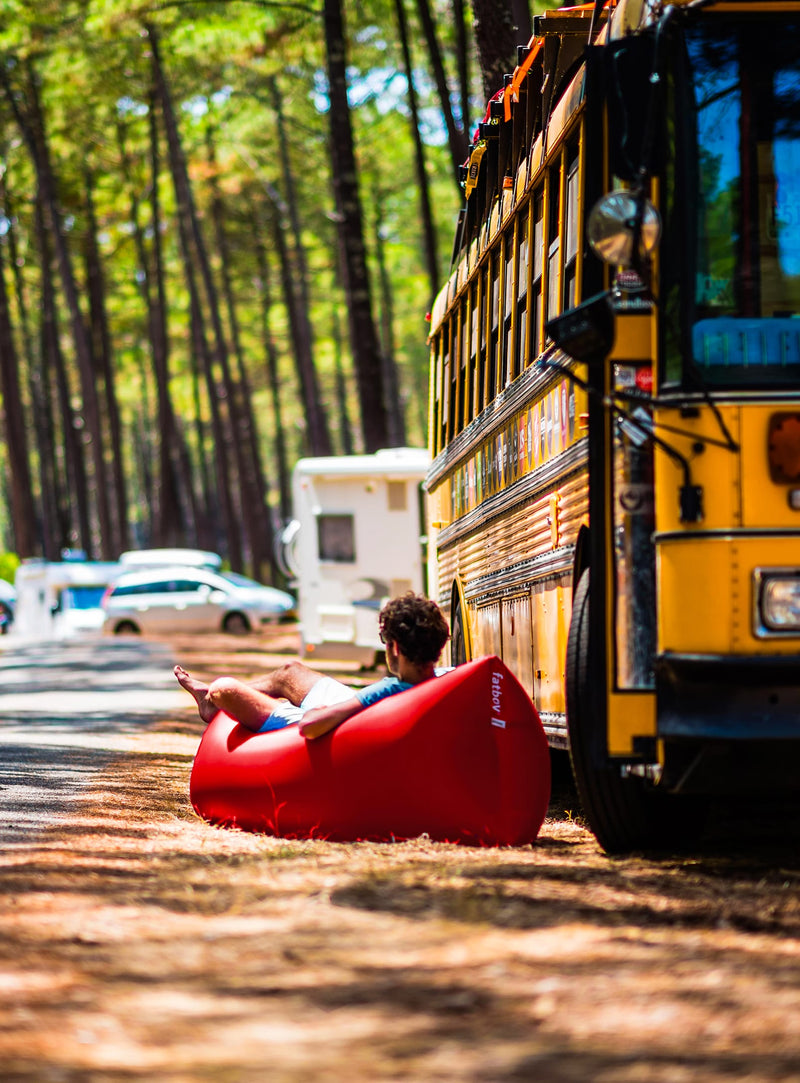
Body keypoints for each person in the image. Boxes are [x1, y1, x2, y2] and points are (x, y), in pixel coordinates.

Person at [174, 592, 450, 740]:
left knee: (225, 689)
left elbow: (310, 726)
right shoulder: (447, 682)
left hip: (342, 728)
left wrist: (321, 712)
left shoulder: (389, 690)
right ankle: (209, 701)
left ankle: (212, 699)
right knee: (289, 673)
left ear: (396, 648)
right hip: (357, 709)